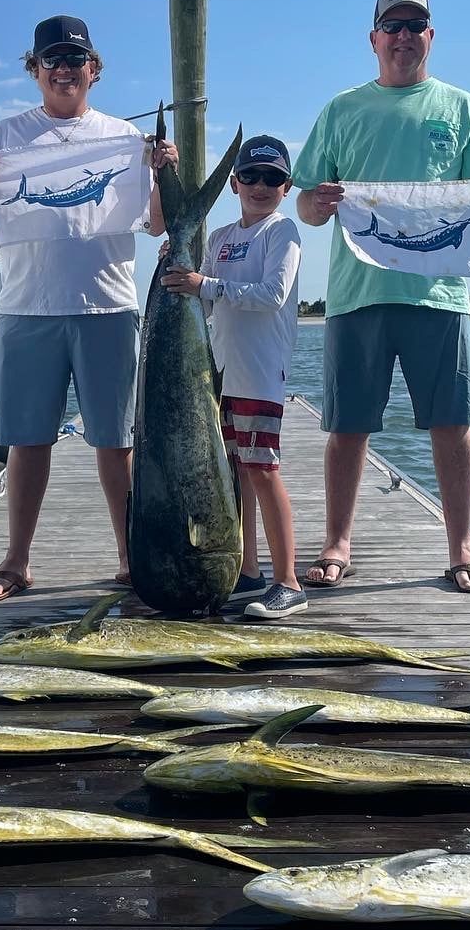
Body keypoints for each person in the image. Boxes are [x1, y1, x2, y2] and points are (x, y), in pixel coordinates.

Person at [290, 0, 470, 594]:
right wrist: (317, 202)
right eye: (391, 26)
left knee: (452, 423)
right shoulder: (341, 110)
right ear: (373, 39)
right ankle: (337, 542)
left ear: (430, 36)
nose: (402, 36)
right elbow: (307, 204)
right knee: (348, 427)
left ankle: (461, 545)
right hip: (356, 294)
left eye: (414, 25)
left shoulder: (462, 107)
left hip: (439, 297)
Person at [0, 15, 177, 603]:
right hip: (26, 310)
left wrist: (163, 173)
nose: (63, 69)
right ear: (35, 70)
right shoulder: (5, 135)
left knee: (116, 442)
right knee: (27, 441)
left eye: (73, 59)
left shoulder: (123, 138)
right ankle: (17, 560)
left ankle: (132, 555)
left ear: (94, 69)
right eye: (50, 60)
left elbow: (157, 224)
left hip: (107, 307)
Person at [161, 135, 306, 618]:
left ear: (286, 187)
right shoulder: (220, 238)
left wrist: (206, 284)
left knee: (263, 471)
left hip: (260, 373)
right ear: (235, 183)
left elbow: (272, 294)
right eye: (251, 176)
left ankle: (289, 581)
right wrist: (176, 272)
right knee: (236, 474)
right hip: (219, 376)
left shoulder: (282, 232)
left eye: (273, 178)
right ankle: (249, 572)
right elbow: (202, 299)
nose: (260, 186)